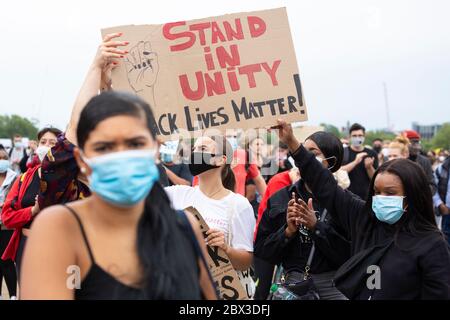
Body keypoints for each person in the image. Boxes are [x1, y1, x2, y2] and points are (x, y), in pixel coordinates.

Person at [20, 91, 217, 300]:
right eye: (104, 147)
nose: (121, 157)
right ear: (82, 159)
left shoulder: (185, 227)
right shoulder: (60, 228)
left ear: (155, 149)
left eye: (135, 144)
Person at [276, 119, 450, 299]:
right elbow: (325, 184)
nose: (381, 198)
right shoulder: (364, 220)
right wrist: (292, 142)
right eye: (376, 191)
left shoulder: (432, 243)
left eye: (390, 193)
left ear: (412, 195)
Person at [254, 131, 350, 300]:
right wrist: (286, 232)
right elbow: (262, 252)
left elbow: (350, 253)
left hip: (334, 285)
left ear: (332, 161)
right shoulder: (281, 198)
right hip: (293, 284)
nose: (304, 158)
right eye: (301, 151)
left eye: (312, 154)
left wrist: (317, 227)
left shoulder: (345, 201)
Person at [164, 135, 256, 299]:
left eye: (203, 149)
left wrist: (226, 249)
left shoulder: (238, 205)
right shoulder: (176, 194)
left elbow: (246, 261)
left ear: (221, 160)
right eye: (194, 149)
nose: (195, 153)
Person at [1, 127, 62, 276]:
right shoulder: (24, 178)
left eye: (52, 143)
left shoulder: (71, 180)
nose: (46, 146)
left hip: (60, 248)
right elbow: (7, 216)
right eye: (43, 142)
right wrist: (32, 211)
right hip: (27, 246)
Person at [253, 166, 299, 300]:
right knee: (263, 287)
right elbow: (279, 217)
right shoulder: (280, 181)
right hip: (267, 241)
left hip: (281, 242)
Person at [341, 123, 378, 199]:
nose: (357, 138)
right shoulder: (343, 152)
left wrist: (369, 167)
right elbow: (339, 172)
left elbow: (375, 179)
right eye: (354, 136)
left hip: (367, 197)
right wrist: (355, 162)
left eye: (360, 135)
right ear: (350, 137)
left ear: (364, 136)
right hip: (347, 196)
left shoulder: (372, 153)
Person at [0, 149, 18, 299]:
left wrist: (5, 205)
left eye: (4, 157)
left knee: (6, 261)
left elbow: (15, 201)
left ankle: (12, 295)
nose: (2, 160)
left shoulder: (14, 178)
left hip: (7, 226)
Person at [403, 130, 437, 194]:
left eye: (418, 142)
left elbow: (433, 186)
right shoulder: (397, 159)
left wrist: (420, 192)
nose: (417, 147)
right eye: (413, 143)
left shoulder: (425, 161)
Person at [433, 155, 450, 246]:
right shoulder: (441, 169)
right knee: (446, 241)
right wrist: (440, 204)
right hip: (447, 213)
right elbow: (433, 187)